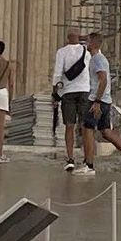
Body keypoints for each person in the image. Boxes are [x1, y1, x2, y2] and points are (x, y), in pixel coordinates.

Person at [84, 32, 121, 168]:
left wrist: (96, 101)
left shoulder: (97, 59)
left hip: (98, 100)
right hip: (105, 100)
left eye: (88, 41)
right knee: (106, 131)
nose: (86, 44)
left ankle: (89, 165)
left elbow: (103, 80)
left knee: (88, 129)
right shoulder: (99, 59)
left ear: (94, 44)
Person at [50, 29, 93, 175]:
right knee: (85, 126)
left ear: (68, 38)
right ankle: (88, 160)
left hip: (68, 91)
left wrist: (55, 94)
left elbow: (57, 73)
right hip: (85, 90)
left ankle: (70, 158)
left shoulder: (61, 52)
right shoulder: (86, 52)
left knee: (69, 125)